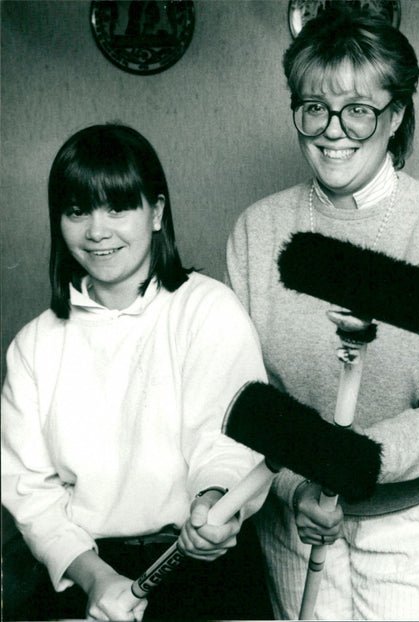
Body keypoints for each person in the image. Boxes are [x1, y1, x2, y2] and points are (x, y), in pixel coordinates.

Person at [226, 6, 419, 620]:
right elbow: (246, 394)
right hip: (296, 517)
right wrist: (297, 486)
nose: (332, 129)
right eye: (314, 107)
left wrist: (347, 465)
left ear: (395, 117)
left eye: (359, 110)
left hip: (413, 525)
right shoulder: (258, 231)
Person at [1, 123, 272, 622]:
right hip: (86, 577)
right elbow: (30, 493)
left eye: (118, 207)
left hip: (202, 568)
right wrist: (95, 578)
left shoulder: (208, 310)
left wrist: (212, 505)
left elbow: (228, 442)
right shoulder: (34, 345)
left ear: (157, 213)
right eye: (77, 210)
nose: (97, 231)